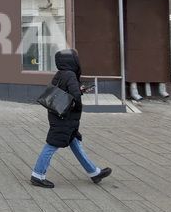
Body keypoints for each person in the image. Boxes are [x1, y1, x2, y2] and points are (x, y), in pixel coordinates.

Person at [30, 49, 112, 188]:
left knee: (74, 142)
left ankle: (93, 172)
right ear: (72, 61)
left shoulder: (61, 73)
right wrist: (78, 104)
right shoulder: (71, 75)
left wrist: (79, 90)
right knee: (52, 144)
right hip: (65, 118)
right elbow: (75, 97)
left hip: (58, 114)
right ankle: (37, 175)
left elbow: (63, 91)